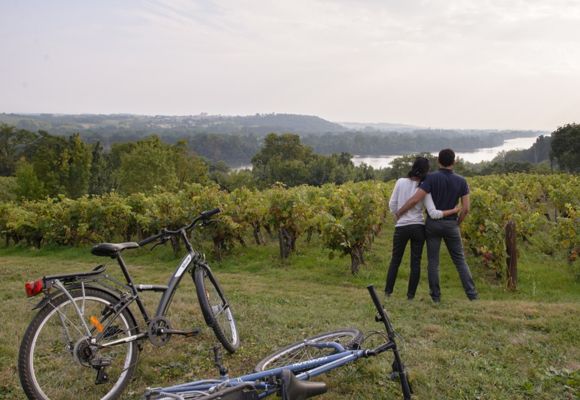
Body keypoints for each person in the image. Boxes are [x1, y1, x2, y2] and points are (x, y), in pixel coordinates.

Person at [394, 149, 478, 302]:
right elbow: (466, 208)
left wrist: (399, 212)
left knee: (433, 261)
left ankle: (436, 297)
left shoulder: (430, 178)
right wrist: (457, 222)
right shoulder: (462, 181)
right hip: (451, 223)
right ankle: (472, 295)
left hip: (433, 225)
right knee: (460, 260)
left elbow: (414, 200)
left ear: (438, 161)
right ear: (454, 161)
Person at [385, 157, 460, 300]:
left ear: (413, 167)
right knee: (416, 262)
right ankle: (410, 296)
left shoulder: (400, 182)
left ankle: (388, 292)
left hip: (401, 227)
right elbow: (433, 213)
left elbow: (392, 205)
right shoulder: (425, 188)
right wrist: (453, 210)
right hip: (418, 227)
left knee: (395, 260)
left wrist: (398, 215)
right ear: (427, 170)